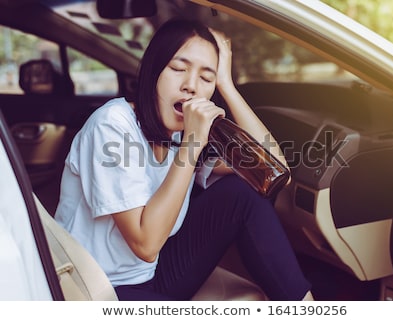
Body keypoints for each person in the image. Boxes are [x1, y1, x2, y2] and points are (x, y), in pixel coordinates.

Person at [55, 18, 313, 301]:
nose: (191, 86)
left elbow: (274, 169)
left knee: (241, 193)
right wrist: (192, 144)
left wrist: (226, 83)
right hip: (101, 289)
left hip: (154, 274)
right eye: (178, 69)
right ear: (154, 71)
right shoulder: (112, 125)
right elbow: (146, 244)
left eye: (206, 78)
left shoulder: (182, 134)